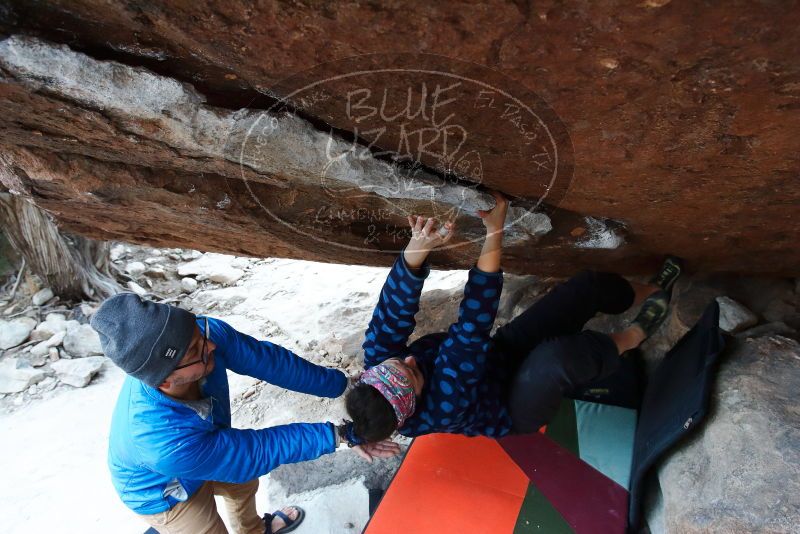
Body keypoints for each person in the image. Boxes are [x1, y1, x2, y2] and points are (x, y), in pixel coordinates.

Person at [345, 190, 682, 441]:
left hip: (499, 355)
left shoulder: (378, 360)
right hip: (511, 405)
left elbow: (392, 311)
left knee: (586, 288)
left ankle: (652, 290)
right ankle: (635, 335)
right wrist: (494, 232)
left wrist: (415, 251)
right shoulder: (443, 406)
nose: (410, 360)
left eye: (398, 362)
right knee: (558, 359)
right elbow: (471, 327)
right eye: (413, 375)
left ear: (371, 373)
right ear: (414, 404)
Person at [91, 294, 399, 534]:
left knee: (245, 484)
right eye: (195, 350)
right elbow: (253, 452)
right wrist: (341, 435)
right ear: (165, 381)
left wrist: (342, 385)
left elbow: (270, 363)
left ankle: (254, 530)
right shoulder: (160, 440)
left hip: (201, 449)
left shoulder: (202, 336)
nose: (211, 345)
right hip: (164, 491)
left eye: (197, 332)